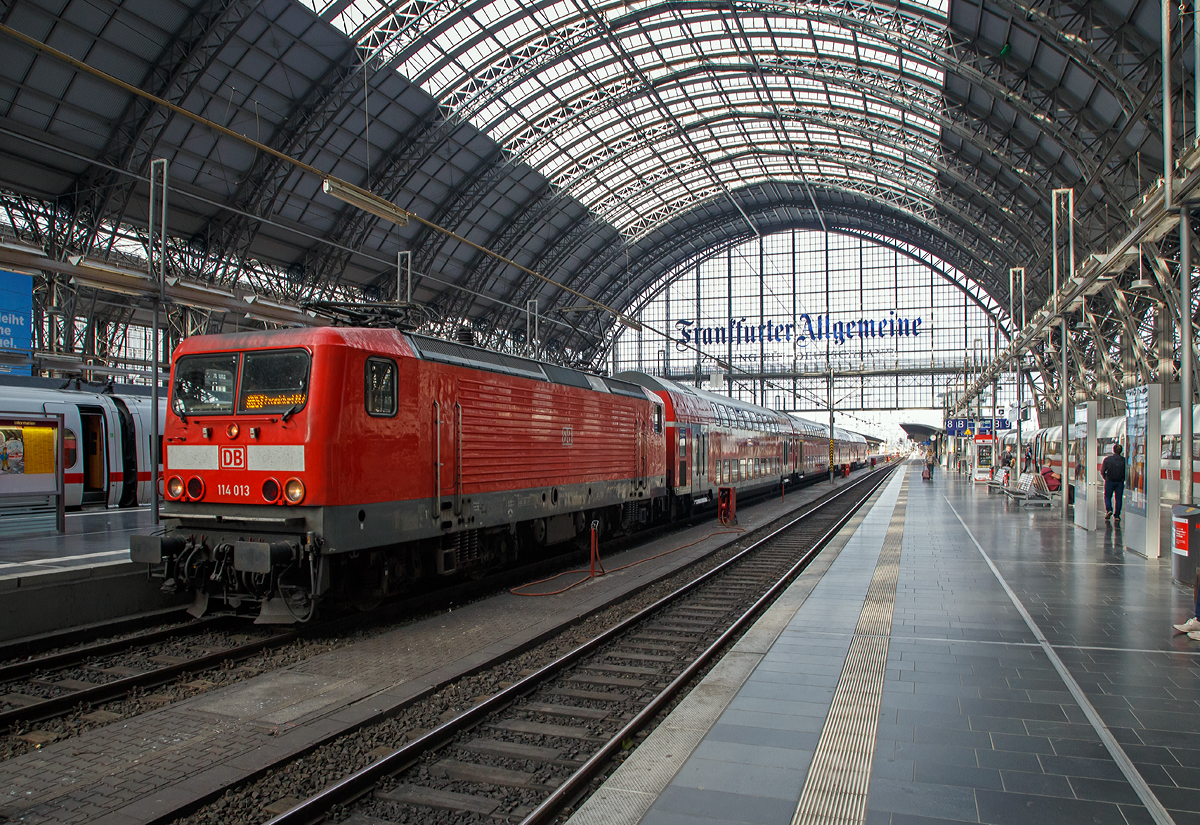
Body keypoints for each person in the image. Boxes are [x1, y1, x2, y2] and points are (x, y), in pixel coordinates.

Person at [1101, 443, 1125, 524]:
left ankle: (1109, 510)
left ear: (1113, 450)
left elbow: (1102, 471)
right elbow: (1126, 472)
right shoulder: (1124, 460)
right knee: (1118, 499)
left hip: (1109, 481)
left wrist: (1106, 477)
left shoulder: (1107, 459)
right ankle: (1117, 515)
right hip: (1119, 482)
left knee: (1107, 496)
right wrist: (1123, 479)